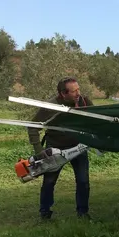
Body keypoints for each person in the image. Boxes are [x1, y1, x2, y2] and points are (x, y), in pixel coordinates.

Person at [27, 77, 93, 220]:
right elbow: (32, 126)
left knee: (83, 181)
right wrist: (39, 151)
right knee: (49, 182)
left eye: (78, 89)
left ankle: (83, 212)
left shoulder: (84, 102)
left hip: (78, 146)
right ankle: (45, 212)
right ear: (63, 93)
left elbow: (96, 121)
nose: (78, 93)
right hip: (55, 148)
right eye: (74, 91)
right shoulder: (50, 106)